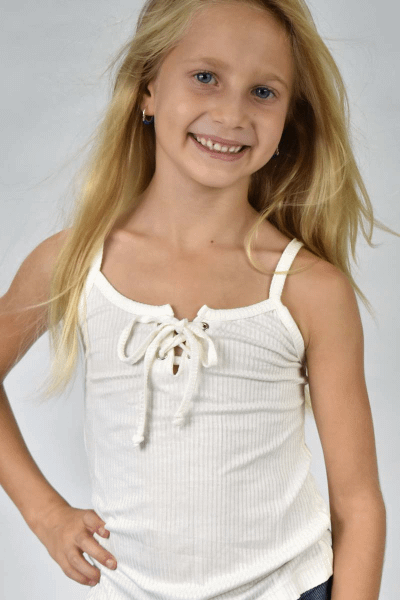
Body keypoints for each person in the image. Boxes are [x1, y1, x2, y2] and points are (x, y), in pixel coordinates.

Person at [0, 0, 392, 598]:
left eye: (263, 91)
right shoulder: (73, 263)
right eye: (205, 76)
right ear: (147, 90)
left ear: (289, 118)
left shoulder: (309, 289)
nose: (232, 113)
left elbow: (358, 505)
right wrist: (44, 513)